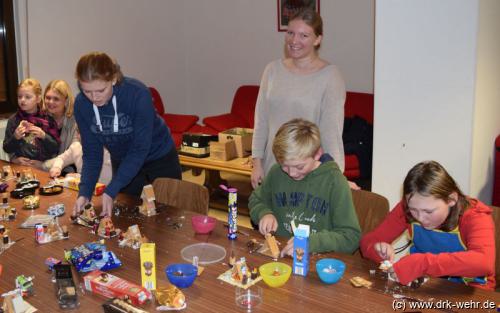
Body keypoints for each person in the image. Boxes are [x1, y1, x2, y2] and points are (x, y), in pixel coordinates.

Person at [72, 51, 181, 217]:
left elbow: (139, 148)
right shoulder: (81, 105)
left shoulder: (138, 93)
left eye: (101, 90)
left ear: (114, 79)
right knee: (126, 216)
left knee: (171, 214)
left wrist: (112, 188)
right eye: (87, 91)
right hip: (123, 161)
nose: (94, 98)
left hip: (159, 156)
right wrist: (85, 193)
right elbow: (92, 154)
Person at [360, 161, 496, 290]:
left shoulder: (474, 216)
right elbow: (367, 242)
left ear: (452, 199)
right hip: (425, 286)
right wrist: (377, 250)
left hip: (471, 292)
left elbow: (483, 262)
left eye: (428, 211)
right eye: (413, 210)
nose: (420, 218)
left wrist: (422, 264)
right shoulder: (406, 209)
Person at [251, 8, 346, 189]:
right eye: (291, 33)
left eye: (304, 35)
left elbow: (331, 133)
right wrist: (257, 163)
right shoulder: (271, 70)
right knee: (265, 217)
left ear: (318, 39)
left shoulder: (331, 76)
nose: (294, 41)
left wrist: (336, 177)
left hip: (307, 174)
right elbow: (261, 121)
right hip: (272, 170)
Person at [249, 118, 361, 257]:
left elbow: (351, 237)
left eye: (299, 166)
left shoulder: (334, 181)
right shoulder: (276, 173)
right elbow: (256, 200)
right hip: (281, 255)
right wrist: (264, 213)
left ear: (317, 154)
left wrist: (311, 243)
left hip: (317, 261)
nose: (292, 173)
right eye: (284, 165)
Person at [3, 78, 60, 165]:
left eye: (27, 97)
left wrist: (43, 135)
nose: (22, 100)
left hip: (44, 167)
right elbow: (7, 148)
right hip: (22, 167)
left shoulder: (48, 119)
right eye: (19, 96)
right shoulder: (13, 120)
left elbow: (55, 148)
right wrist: (15, 137)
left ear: (38, 99)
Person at [39, 79, 78, 173]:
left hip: (68, 172)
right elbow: (29, 143)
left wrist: (42, 165)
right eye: (48, 98)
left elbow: (72, 154)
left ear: (66, 101)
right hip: (43, 171)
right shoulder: (39, 117)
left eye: (56, 99)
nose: (50, 102)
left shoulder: (76, 121)